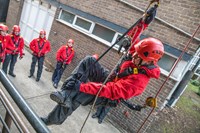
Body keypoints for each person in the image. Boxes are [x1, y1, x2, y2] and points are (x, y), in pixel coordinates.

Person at [41, 37, 164, 125]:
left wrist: (82, 87)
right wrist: (146, 19)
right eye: (135, 53)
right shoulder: (139, 59)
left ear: (150, 61)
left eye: (138, 56)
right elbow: (135, 33)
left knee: (79, 94)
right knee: (89, 61)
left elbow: (111, 90)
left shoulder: (139, 82)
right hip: (111, 79)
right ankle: (65, 94)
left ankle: (51, 120)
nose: (134, 57)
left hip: (111, 95)